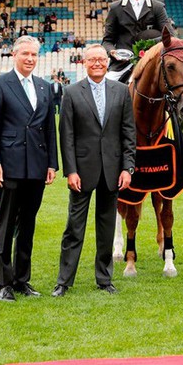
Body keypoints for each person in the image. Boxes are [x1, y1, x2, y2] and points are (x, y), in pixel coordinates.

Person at [52, 44, 136, 297]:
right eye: (92, 60)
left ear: (107, 63)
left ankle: (104, 278)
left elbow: (128, 133)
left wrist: (127, 168)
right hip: (82, 172)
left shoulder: (121, 92)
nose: (98, 63)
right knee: (74, 228)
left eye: (101, 59)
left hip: (112, 172)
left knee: (106, 227)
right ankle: (64, 281)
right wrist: (71, 171)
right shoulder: (72, 92)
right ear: (84, 63)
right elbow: (66, 135)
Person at [0, 35, 58, 302]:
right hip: (10, 166)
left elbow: (49, 128)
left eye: (34, 55)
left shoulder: (45, 87)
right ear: (14, 54)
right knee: (6, 225)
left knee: (28, 225)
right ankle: (2, 283)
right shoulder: (0, 84)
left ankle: (21, 279)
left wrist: (52, 163)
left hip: (37, 167)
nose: (29, 59)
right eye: (25, 53)